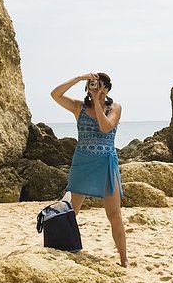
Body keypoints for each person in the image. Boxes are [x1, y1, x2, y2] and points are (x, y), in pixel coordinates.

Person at [50, 72, 129, 268]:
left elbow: (105, 127)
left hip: (105, 164)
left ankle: (124, 259)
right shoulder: (79, 107)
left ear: (107, 89)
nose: (95, 88)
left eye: (99, 85)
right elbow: (55, 94)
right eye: (91, 84)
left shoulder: (115, 108)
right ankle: (61, 249)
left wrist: (97, 102)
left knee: (114, 215)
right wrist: (77, 78)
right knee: (71, 211)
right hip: (82, 163)